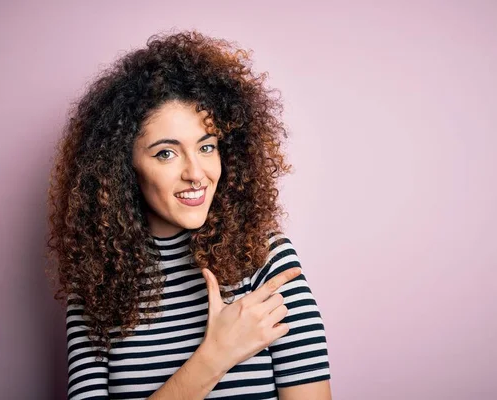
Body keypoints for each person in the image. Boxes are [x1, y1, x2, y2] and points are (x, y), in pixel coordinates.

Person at [46, 30, 332, 399]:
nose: (196, 173)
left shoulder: (265, 258)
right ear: (122, 166)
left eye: (207, 146)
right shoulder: (96, 285)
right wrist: (215, 356)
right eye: (166, 153)